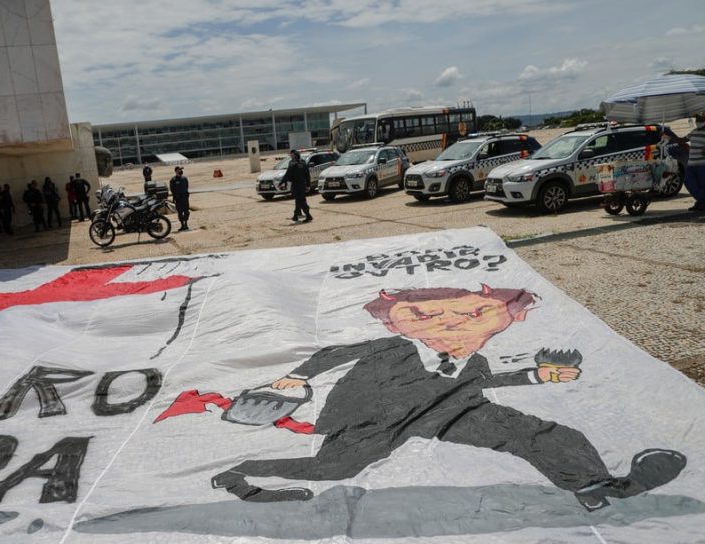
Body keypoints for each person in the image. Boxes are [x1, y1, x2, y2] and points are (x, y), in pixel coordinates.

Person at [205, 285, 686, 511]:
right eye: (432, 316)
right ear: (400, 321)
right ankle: (242, 469)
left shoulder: (473, 361)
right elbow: (335, 351)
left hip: (449, 410)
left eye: (472, 315)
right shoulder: (391, 346)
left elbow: (486, 381)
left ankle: (595, 486)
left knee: (541, 433)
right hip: (377, 418)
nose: (455, 325)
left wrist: (539, 377)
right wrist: (293, 377)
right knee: (334, 469)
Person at [278, 149, 312, 222]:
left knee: (301, 200)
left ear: (294, 156)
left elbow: (287, 175)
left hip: (296, 185)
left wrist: (281, 183)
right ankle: (295, 216)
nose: (291, 156)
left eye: (292, 155)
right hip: (302, 184)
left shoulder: (292, 164)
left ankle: (308, 215)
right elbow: (307, 175)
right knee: (299, 200)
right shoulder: (303, 162)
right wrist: (308, 185)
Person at [684, 111, 705, 212]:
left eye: (700, 119)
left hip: (702, 165)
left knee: (702, 184)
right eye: (697, 120)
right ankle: (702, 201)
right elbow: (682, 140)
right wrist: (668, 136)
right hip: (691, 164)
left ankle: (701, 203)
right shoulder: (694, 132)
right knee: (689, 182)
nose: (698, 121)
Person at [169, 165, 191, 231]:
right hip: (178, 198)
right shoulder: (173, 180)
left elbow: (187, 186)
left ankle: (186, 224)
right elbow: (172, 189)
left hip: (185, 197)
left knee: (186, 212)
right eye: (179, 170)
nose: (181, 171)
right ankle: (182, 225)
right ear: (176, 171)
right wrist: (175, 197)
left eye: (181, 170)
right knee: (180, 212)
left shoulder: (184, 178)